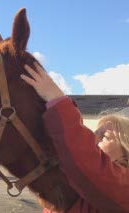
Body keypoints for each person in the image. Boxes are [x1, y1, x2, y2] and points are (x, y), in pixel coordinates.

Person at [20, 62, 129, 213]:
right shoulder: (79, 180)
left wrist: (57, 100)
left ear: (125, 154)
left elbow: (83, 155)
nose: (93, 138)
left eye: (104, 136)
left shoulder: (124, 186)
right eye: (95, 133)